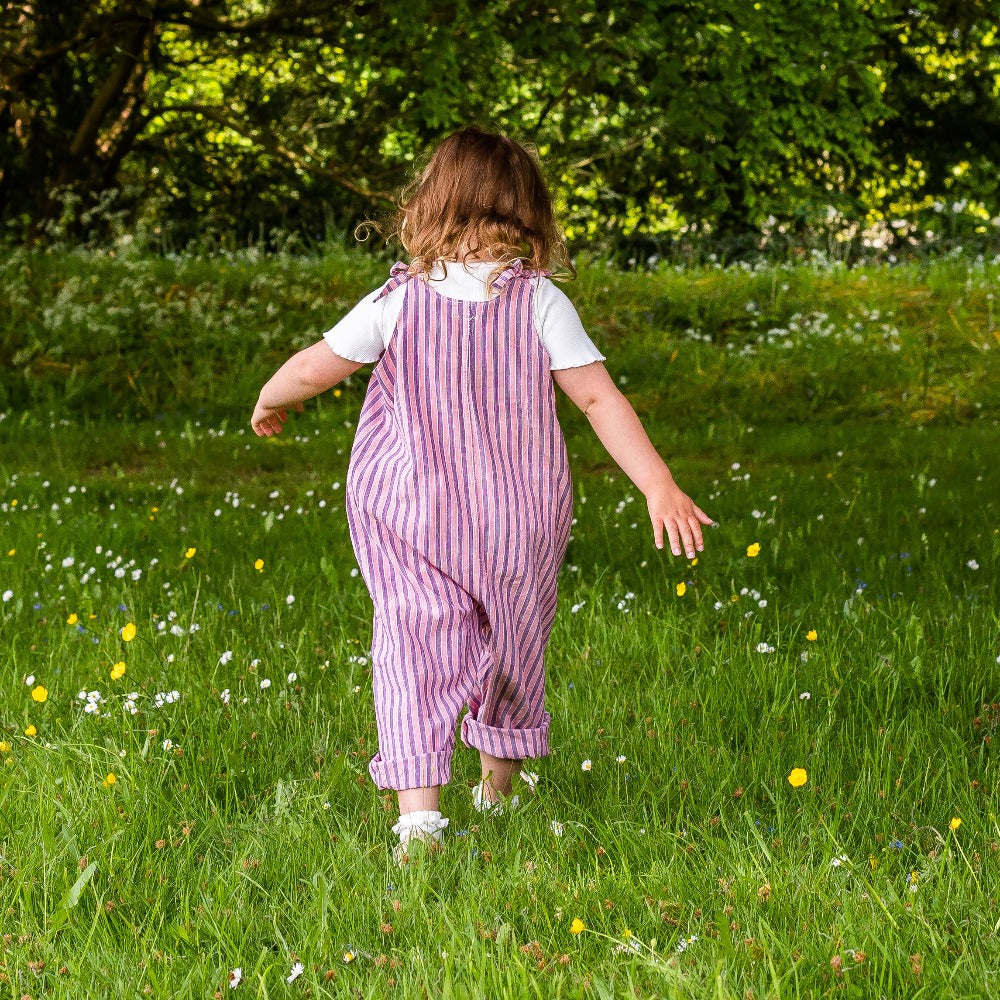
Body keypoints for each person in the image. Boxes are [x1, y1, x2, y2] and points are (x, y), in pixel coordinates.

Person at [251, 126, 713, 866]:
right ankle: (498, 792)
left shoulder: (398, 301)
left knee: (412, 648)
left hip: (412, 514)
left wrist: (270, 398)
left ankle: (419, 821)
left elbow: (314, 366)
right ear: (529, 215)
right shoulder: (541, 304)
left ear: (430, 204)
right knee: (512, 645)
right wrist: (659, 485)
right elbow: (599, 399)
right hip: (515, 521)